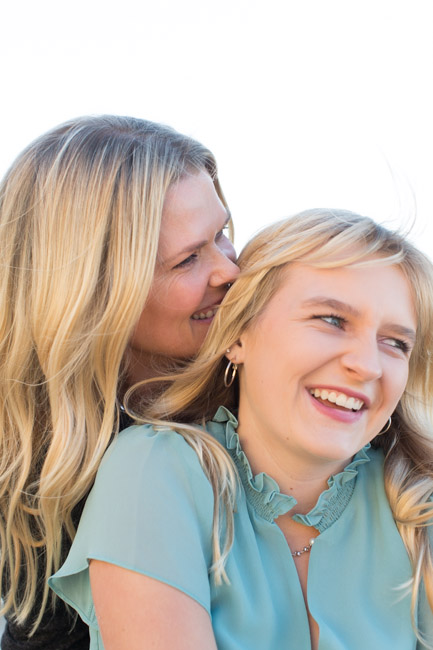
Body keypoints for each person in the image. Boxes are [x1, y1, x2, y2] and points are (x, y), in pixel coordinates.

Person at [50, 208, 433, 649]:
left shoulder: (413, 506)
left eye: (395, 343)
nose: (367, 365)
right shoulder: (155, 471)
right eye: (331, 320)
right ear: (238, 335)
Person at [0, 115, 239, 649]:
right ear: (96, 293)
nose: (230, 271)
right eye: (188, 259)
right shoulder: (44, 476)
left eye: (220, 233)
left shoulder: (270, 391)